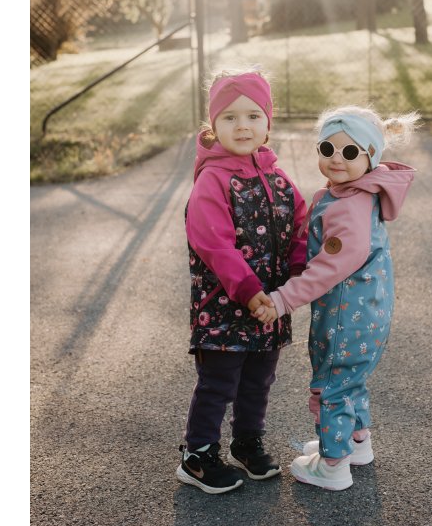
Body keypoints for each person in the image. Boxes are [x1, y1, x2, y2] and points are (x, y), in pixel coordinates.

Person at [255, 105, 419, 491]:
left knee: (332, 386)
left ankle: (332, 465)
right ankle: (355, 443)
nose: (336, 160)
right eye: (327, 149)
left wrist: (282, 300)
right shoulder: (356, 192)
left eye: (349, 152)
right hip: (366, 313)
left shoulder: (348, 206)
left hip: (347, 319)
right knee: (349, 381)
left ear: (370, 157)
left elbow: (329, 268)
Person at [176, 68, 309, 494]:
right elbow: (214, 244)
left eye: (253, 115)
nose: (243, 126)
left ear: (268, 122)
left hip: (270, 307)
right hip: (225, 307)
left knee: (258, 381)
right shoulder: (213, 179)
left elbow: (300, 225)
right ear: (212, 125)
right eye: (229, 117)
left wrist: (299, 274)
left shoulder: (278, 178)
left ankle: (247, 442)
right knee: (218, 383)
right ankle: (197, 456)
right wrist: (250, 292)